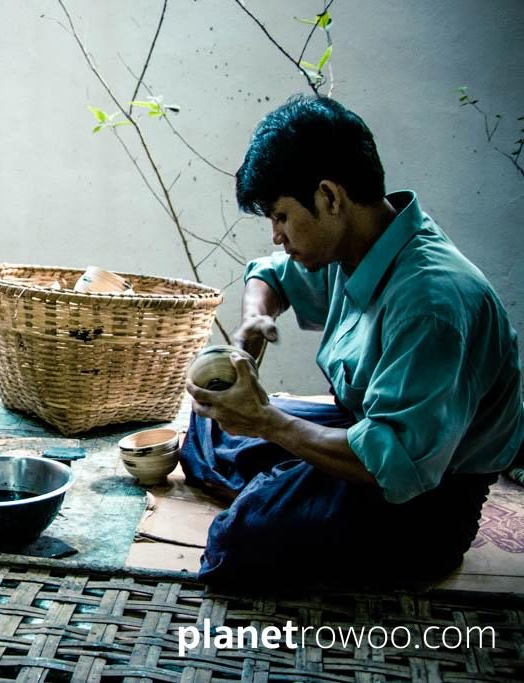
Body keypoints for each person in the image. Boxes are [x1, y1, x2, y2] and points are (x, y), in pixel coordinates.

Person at [181, 95, 524, 586]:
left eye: (280, 216)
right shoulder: (357, 244)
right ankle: (289, 486)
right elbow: (270, 277)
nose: (277, 235)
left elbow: (396, 464)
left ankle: (284, 493)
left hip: (427, 496)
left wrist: (268, 423)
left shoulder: (431, 304)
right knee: (211, 429)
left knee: (236, 542)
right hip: (363, 427)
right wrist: (253, 321)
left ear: (329, 196)